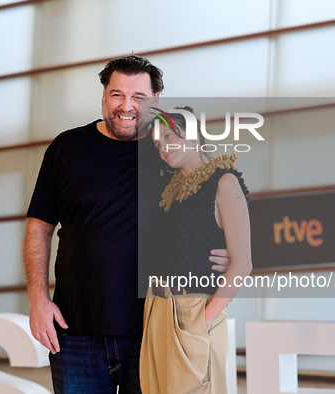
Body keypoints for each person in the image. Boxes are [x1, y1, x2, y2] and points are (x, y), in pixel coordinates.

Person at [23, 56, 231, 393]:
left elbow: (227, 204)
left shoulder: (176, 150)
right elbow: (39, 227)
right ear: (104, 96)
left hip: (156, 327)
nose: (127, 106)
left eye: (138, 97)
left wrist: (229, 251)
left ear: (156, 101)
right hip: (76, 332)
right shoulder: (67, 148)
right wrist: (37, 299)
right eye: (117, 95)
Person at [140, 108, 253, 394]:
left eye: (168, 135)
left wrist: (202, 322)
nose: (163, 147)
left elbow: (242, 264)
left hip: (194, 312)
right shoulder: (169, 191)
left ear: (193, 135)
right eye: (157, 144)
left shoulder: (224, 182)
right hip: (157, 309)